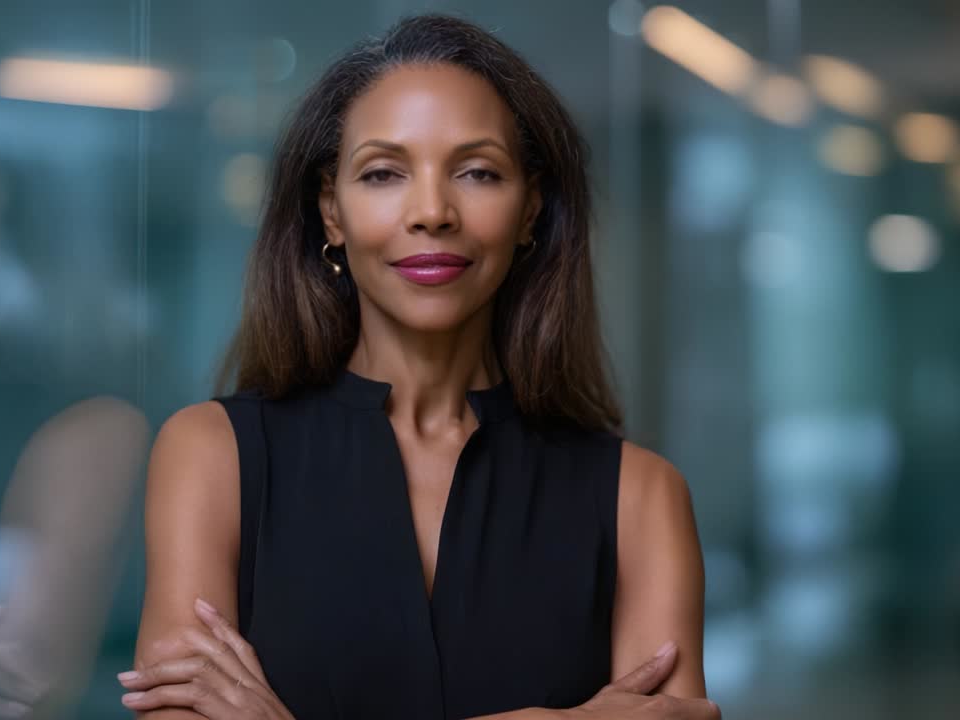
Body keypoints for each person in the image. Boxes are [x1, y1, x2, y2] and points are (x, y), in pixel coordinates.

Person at [120, 14, 718, 720]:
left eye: (477, 172)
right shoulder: (211, 456)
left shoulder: (641, 498)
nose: (432, 211)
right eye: (382, 173)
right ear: (331, 211)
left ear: (530, 210)